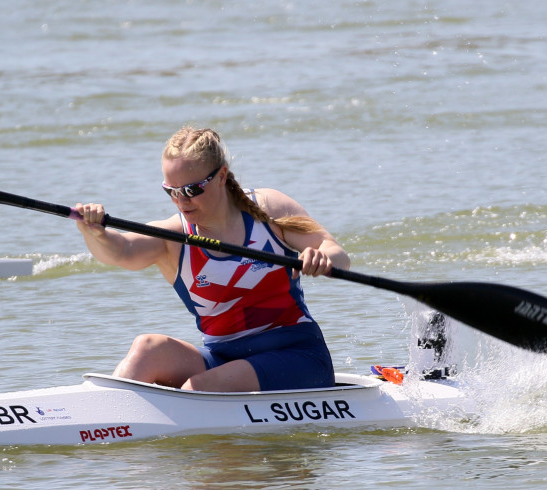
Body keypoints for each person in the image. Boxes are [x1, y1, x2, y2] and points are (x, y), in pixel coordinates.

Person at [75, 126, 351, 392]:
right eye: (171, 191)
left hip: (296, 357)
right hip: (222, 359)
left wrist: (321, 257)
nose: (182, 201)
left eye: (192, 190)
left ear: (221, 176)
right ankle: (101, 419)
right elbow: (121, 251)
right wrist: (95, 232)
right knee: (148, 349)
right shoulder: (173, 237)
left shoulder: (268, 209)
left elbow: (337, 253)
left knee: (201, 387)